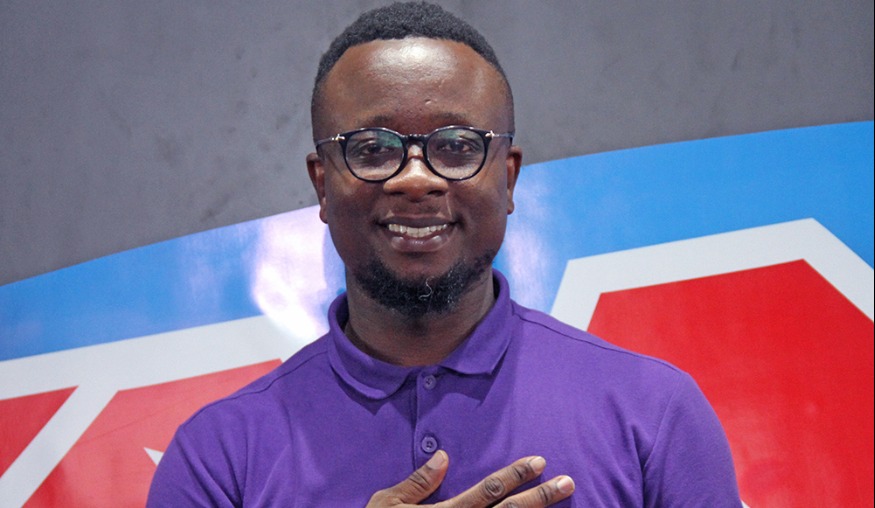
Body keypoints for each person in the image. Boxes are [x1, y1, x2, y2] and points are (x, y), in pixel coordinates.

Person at [148, 2, 742, 506]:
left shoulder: (653, 413)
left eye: (457, 146)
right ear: (323, 185)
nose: (415, 179)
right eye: (372, 148)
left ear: (507, 179)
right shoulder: (217, 459)